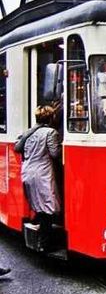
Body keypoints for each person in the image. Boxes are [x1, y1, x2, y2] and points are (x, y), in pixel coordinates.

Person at [15, 105, 62, 251]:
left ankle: (40, 237)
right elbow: (54, 153)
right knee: (48, 207)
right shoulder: (50, 132)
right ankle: (44, 243)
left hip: (28, 172)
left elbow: (17, 148)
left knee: (38, 205)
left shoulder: (29, 132)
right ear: (51, 117)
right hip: (42, 173)